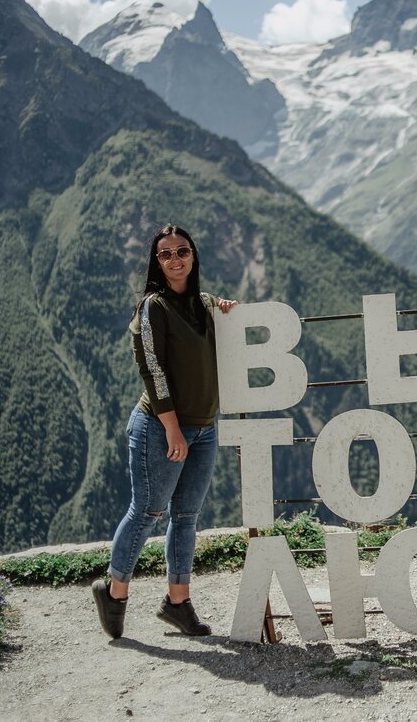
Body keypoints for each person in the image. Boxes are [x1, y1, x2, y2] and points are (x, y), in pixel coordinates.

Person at [92, 224, 238, 639]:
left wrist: (222, 305)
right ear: (156, 263)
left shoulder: (200, 303)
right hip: (160, 428)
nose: (176, 259)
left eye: (183, 251)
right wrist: (172, 429)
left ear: (193, 256)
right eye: (166, 254)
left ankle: (178, 603)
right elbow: (152, 371)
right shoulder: (153, 307)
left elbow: (211, 304)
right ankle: (114, 592)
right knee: (148, 512)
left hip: (205, 428)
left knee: (187, 516)